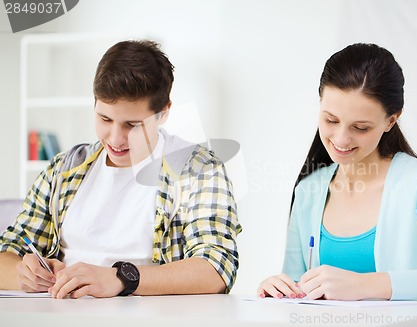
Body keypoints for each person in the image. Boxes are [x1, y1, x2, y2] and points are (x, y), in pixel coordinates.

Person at [0, 40, 242, 299]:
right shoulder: (64, 168)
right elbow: (7, 255)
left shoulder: (198, 168)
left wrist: (121, 277)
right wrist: (23, 274)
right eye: (105, 119)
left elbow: (217, 267)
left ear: (163, 113)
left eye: (132, 124)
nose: (115, 139)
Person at [257, 43, 417, 301]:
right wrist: (279, 290)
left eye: (360, 127)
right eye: (330, 120)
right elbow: (297, 288)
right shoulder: (309, 190)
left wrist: (365, 285)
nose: (341, 139)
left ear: (391, 120)